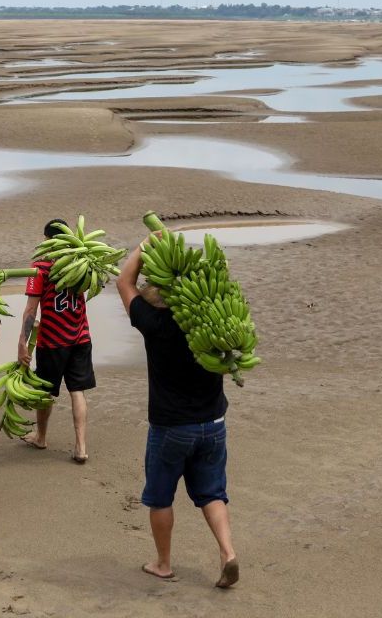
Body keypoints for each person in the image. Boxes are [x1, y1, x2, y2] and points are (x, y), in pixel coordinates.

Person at [116, 233, 239, 589]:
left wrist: (144, 245)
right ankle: (228, 552)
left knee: (160, 496)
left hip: (171, 427)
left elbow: (124, 282)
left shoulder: (153, 324)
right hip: (213, 422)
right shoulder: (213, 324)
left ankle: (163, 564)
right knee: (212, 493)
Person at [17, 218, 95, 463]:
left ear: (47, 239)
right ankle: (81, 447)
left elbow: (31, 310)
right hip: (80, 336)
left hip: (52, 341)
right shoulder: (81, 262)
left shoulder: (40, 267)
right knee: (77, 391)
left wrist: (22, 341)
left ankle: (41, 437)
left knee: (45, 391)